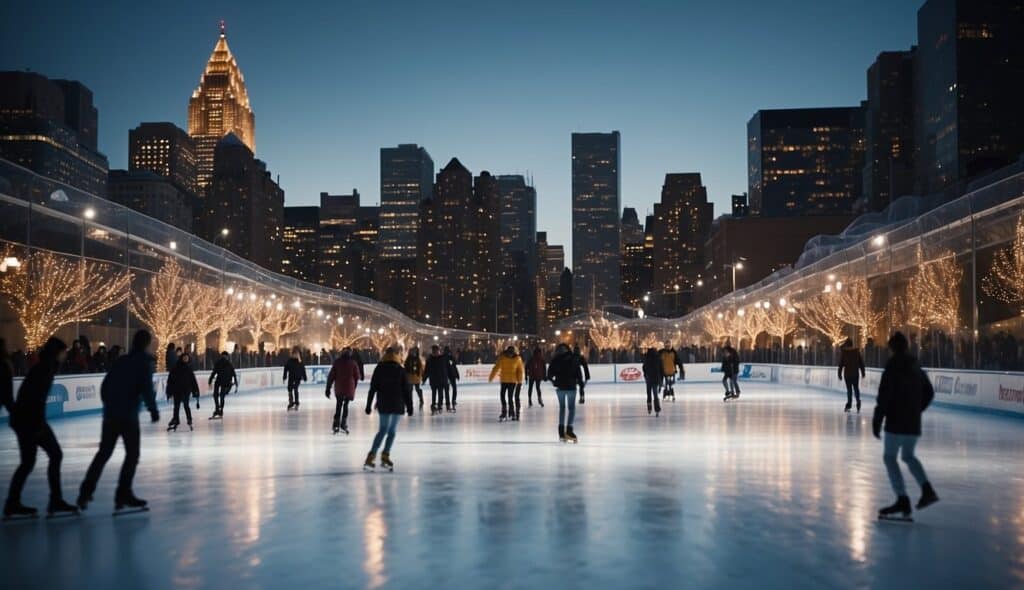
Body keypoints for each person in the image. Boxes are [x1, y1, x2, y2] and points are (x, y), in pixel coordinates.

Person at [77, 330, 159, 513]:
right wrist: (153, 410)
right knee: (132, 455)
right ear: (147, 343)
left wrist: (109, 406)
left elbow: (105, 386)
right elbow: (146, 388)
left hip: (111, 416)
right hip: (128, 416)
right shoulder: (143, 363)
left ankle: (85, 492)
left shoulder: (121, 361)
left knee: (104, 453)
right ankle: (123, 493)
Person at [3, 337, 78, 518]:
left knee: (31, 461)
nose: (65, 354)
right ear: (57, 352)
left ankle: (15, 503)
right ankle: (53, 501)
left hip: (25, 419)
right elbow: (34, 398)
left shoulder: (45, 367)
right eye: (63, 351)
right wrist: (37, 425)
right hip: (28, 421)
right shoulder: (44, 369)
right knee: (51, 456)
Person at [874, 332, 939, 520]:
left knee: (889, 457)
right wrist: (917, 410)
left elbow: (884, 395)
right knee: (909, 456)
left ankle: (902, 498)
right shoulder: (915, 364)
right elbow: (929, 391)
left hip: (895, 421)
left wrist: (878, 420)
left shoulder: (893, 365)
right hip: (912, 422)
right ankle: (927, 489)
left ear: (892, 348)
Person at [363, 347, 413, 471]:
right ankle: (385, 455)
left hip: (384, 404)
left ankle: (372, 456)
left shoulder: (379, 369)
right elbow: (406, 390)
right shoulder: (400, 370)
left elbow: (373, 388)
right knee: (391, 431)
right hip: (397, 404)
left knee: (383, 430)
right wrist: (410, 406)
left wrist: (369, 405)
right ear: (396, 356)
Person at [547, 343, 583, 442]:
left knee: (562, 408)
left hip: (560, 388)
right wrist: (582, 390)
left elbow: (549, 375)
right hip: (571, 387)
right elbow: (579, 375)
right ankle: (569, 431)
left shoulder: (555, 360)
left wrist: (554, 381)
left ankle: (561, 432)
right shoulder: (573, 358)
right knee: (571, 408)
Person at [325, 348, 361, 434]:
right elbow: (357, 376)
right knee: (346, 405)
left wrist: (328, 388)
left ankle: (336, 423)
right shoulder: (353, 363)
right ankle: (343, 423)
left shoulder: (337, 362)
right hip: (349, 387)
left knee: (339, 404)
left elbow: (331, 376)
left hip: (339, 387)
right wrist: (354, 386)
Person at [165, 352, 200, 431]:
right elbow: (170, 381)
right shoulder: (175, 368)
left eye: (187, 358)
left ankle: (189, 419)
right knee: (176, 406)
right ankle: (176, 419)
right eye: (184, 358)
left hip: (186, 390)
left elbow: (193, 381)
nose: (186, 359)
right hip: (177, 390)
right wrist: (169, 391)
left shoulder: (189, 369)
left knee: (186, 405)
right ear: (181, 358)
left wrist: (196, 391)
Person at [489, 345, 524, 421]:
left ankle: (512, 413)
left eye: (511, 353)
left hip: (512, 381)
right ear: (507, 352)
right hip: (504, 380)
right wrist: (491, 377)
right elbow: (496, 367)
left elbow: (520, 371)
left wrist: (520, 381)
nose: (510, 354)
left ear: (513, 352)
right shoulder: (502, 358)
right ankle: (504, 412)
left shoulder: (517, 359)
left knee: (510, 397)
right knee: (502, 396)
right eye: (509, 353)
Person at [838, 338, 866, 413]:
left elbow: (841, 364)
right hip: (855, 373)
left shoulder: (844, 353)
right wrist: (863, 372)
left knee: (849, 390)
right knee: (856, 388)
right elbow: (861, 363)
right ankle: (858, 401)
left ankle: (849, 404)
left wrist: (839, 373)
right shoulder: (856, 352)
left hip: (847, 374)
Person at [208, 351, 237, 419]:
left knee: (221, 395)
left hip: (224, 382)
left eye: (225, 356)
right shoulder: (224, 363)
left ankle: (219, 409)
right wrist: (210, 380)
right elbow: (214, 372)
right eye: (223, 356)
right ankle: (218, 408)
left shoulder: (228, 364)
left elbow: (233, 373)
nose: (224, 358)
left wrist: (234, 382)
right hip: (221, 381)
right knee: (218, 395)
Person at [423, 345, 447, 415]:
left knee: (440, 394)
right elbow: (426, 370)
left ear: (438, 351)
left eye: (436, 351)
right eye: (434, 351)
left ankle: (440, 406)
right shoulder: (429, 360)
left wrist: (445, 379)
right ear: (432, 351)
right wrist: (424, 379)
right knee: (434, 393)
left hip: (441, 380)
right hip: (433, 380)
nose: (435, 352)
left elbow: (444, 370)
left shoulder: (442, 359)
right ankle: (433, 405)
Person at [642, 348, 662, 417]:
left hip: (649, 379)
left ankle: (649, 408)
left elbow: (644, 367)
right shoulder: (658, 359)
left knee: (649, 394)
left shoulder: (647, 358)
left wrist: (645, 374)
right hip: (655, 379)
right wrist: (660, 381)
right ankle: (657, 409)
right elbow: (660, 370)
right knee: (655, 394)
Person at [443, 345, 460, 410]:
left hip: (450, 375)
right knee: (449, 389)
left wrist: (457, 375)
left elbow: (454, 366)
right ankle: (451, 400)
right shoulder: (445, 358)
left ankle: (452, 400)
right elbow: (454, 366)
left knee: (451, 389)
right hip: (448, 375)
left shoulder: (450, 357)